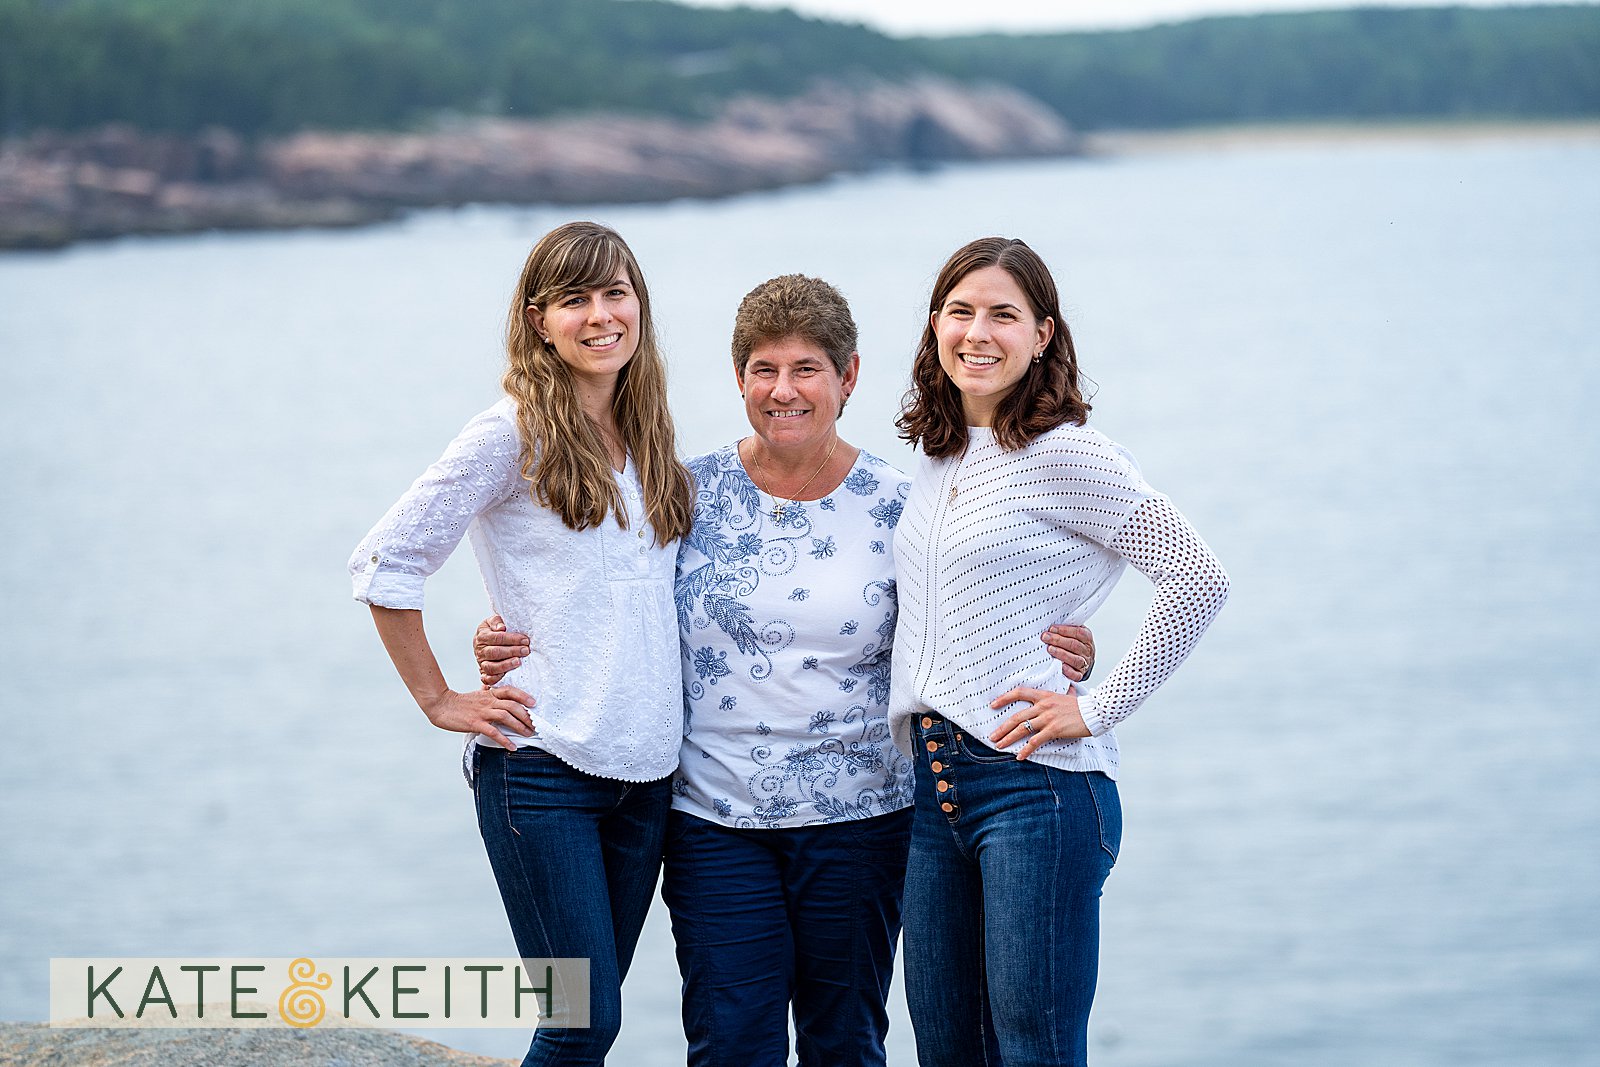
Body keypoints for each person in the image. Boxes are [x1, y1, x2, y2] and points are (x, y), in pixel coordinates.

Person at [475, 274, 1098, 1066]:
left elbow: (973, 613)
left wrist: (1067, 647)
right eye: (764, 370)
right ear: (739, 380)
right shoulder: (681, 492)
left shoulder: (900, 506)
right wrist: (505, 635)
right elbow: (597, 593)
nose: (785, 390)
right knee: (732, 1044)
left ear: (849, 377)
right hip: (712, 822)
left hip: (864, 820)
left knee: (845, 1044)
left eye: (808, 368)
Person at [348, 221, 694, 1066]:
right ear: (540, 320)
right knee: (582, 1021)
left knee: (589, 1021)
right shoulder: (510, 432)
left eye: (616, 293)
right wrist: (441, 698)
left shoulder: (648, 437)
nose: (600, 314)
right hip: (542, 770)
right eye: (575, 299)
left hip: (644, 777)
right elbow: (386, 561)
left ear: (639, 305)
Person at [890, 237, 1230, 1066]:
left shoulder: (1068, 451)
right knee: (947, 1051)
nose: (979, 332)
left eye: (1004, 314)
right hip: (933, 793)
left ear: (1042, 334)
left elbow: (1196, 576)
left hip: (1035, 790)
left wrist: (1095, 704)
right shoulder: (939, 454)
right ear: (936, 326)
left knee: (1034, 1050)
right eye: (962, 312)